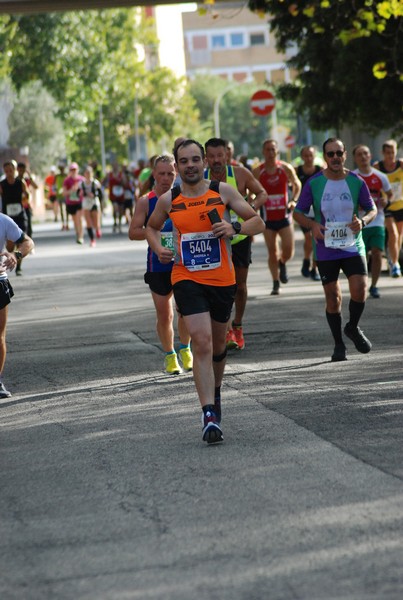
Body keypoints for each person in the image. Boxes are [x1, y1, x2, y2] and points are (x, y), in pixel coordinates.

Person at [146, 139, 265, 444]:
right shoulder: (168, 200)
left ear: (203, 162)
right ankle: (208, 413)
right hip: (186, 276)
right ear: (177, 165)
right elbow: (151, 227)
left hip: (222, 279)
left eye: (195, 159)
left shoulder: (222, 191)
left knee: (218, 348)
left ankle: (215, 391)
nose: (190, 165)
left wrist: (234, 228)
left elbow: (257, 221)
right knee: (200, 341)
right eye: (183, 161)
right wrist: (160, 248)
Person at [294, 137, 377, 362]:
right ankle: (339, 344)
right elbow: (297, 213)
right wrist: (312, 225)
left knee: (360, 289)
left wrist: (363, 221)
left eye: (339, 153)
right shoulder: (314, 183)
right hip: (326, 247)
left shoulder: (357, 181)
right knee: (333, 298)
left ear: (345, 155)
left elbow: (371, 208)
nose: (335, 158)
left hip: (352, 244)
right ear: (325, 157)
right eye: (330, 154)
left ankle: (352, 327)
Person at [129, 154, 193, 374]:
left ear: (176, 174)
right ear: (153, 174)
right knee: (165, 314)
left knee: (185, 310)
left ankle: (185, 348)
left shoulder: (184, 197)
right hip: (158, 265)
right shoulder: (146, 201)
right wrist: (152, 232)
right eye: (162, 173)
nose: (166, 178)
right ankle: (170, 355)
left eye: (170, 174)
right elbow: (133, 232)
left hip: (184, 262)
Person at [204, 137, 267, 350]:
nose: (216, 160)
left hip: (239, 237)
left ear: (227, 155)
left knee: (239, 286)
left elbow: (262, 193)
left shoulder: (239, 174)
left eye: (219, 155)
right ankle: (226, 329)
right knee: (221, 287)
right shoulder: (200, 179)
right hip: (213, 241)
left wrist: (252, 205)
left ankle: (237, 325)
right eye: (211, 156)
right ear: (206, 158)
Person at [252, 139, 302, 295]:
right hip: (267, 218)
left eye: (273, 149)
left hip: (284, 216)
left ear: (277, 151)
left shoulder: (285, 168)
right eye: (267, 149)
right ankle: (275, 282)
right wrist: (254, 203)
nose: (270, 152)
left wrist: (294, 200)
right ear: (263, 152)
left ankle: (283, 262)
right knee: (272, 251)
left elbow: (297, 184)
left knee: (288, 250)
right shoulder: (258, 171)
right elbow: (251, 190)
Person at [0, 212, 34, 397]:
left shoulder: (3, 220)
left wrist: (16, 254)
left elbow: (27, 242)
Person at [353, 144, 393, 298]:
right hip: (359, 223)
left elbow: (389, 194)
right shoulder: (353, 177)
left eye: (366, 153)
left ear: (370, 156)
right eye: (359, 154)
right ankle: (362, 283)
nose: (363, 157)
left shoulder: (380, 176)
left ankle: (374, 286)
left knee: (377, 252)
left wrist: (385, 200)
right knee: (362, 256)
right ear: (355, 158)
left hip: (377, 220)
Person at [373, 139, 403, 277]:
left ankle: (393, 259)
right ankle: (395, 264)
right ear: (383, 153)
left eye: (393, 152)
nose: (390, 155)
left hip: (401, 205)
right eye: (388, 153)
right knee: (393, 233)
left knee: (399, 236)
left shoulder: (401, 165)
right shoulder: (378, 167)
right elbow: (373, 185)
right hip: (387, 205)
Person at [296, 146, 322, 281]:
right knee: (308, 238)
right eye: (305, 155)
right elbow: (292, 186)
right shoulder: (297, 171)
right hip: (303, 210)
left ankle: (314, 267)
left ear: (315, 155)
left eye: (311, 155)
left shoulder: (320, 170)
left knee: (316, 239)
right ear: (302, 157)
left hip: (317, 209)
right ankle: (306, 259)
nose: (308, 158)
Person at [0, 160, 29, 275]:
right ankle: (10, 257)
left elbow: (27, 195)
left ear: (15, 170)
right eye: (6, 171)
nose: (9, 173)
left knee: (20, 242)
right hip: (8, 216)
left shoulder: (20, 183)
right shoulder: (2, 184)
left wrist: (25, 200)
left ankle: (18, 266)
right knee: (10, 244)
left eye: (11, 170)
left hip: (20, 215)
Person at [80, 165, 103, 247]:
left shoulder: (95, 183)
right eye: (86, 173)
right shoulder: (81, 183)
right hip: (86, 203)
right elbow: (78, 193)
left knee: (96, 222)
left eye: (89, 173)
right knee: (88, 222)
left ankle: (97, 229)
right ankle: (92, 240)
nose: (88, 175)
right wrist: (81, 194)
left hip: (94, 202)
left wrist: (94, 194)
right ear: (84, 174)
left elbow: (100, 193)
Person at [63, 162, 84, 244]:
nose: (73, 171)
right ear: (69, 171)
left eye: (75, 169)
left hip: (80, 202)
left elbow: (85, 190)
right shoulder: (67, 181)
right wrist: (71, 190)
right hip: (71, 203)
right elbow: (64, 193)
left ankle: (81, 237)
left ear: (78, 170)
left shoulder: (82, 179)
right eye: (72, 169)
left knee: (80, 219)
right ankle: (78, 233)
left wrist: (81, 192)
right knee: (75, 221)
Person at [16, 162, 37, 239]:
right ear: (17, 169)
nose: (21, 171)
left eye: (23, 170)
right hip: (18, 205)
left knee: (29, 226)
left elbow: (36, 186)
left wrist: (29, 175)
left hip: (27, 205)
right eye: (20, 170)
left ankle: (29, 241)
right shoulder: (15, 180)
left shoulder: (27, 180)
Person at [55, 163, 69, 230]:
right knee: (61, 210)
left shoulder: (66, 175)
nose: (61, 170)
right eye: (60, 169)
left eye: (62, 169)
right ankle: (63, 224)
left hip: (66, 194)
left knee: (67, 210)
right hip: (59, 195)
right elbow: (54, 185)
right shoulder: (57, 176)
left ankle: (67, 224)